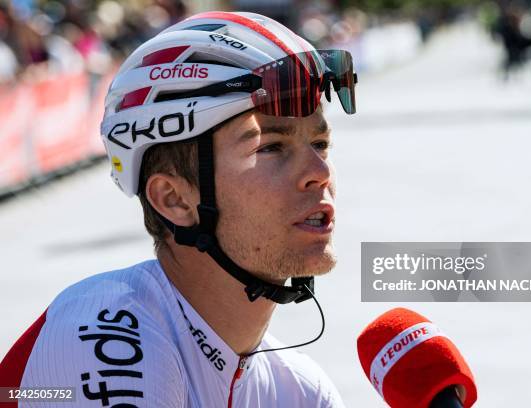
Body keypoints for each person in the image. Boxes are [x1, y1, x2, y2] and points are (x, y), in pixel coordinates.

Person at [0, 11, 357, 407]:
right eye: (271, 147)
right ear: (174, 199)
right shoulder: (103, 332)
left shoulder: (300, 390)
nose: (319, 173)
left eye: (320, 145)